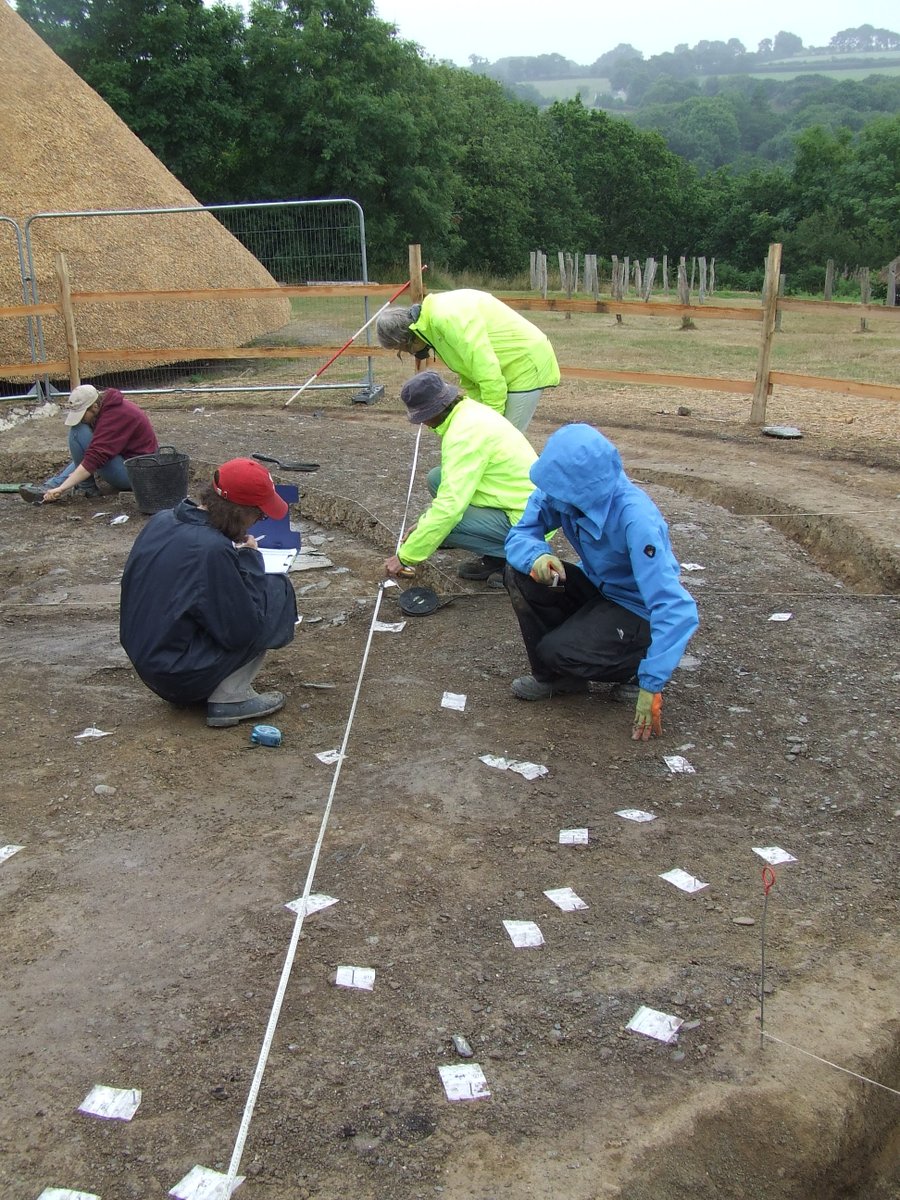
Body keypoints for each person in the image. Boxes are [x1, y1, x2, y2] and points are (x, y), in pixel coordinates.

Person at [503, 424, 699, 741]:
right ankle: (558, 679)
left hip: (636, 609)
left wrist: (653, 682)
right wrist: (536, 556)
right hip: (598, 588)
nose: (550, 496)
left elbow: (676, 606)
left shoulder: (637, 519)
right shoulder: (558, 490)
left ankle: (637, 668)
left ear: (582, 488)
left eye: (559, 489)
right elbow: (523, 533)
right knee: (518, 573)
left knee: (557, 650)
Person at [119, 458, 298, 729]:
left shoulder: (162, 520)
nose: (257, 523)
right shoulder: (212, 550)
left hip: (151, 664)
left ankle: (209, 682)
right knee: (276, 592)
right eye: (258, 515)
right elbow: (240, 632)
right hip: (179, 676)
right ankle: (230, 697)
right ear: (239, 511)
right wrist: (250, 558)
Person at [383, 371, 538, 583]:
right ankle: (496, 554)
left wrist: (406, 556)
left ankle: (518, 560)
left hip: (529, 523)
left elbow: (449, 508)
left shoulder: (463, 436)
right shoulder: (468, 411)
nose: (423, 424)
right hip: (521, 502)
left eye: (421, 418)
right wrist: (424, 526)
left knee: (445, 528)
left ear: (431, 413)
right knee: (436, 478)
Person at [376, 289, 560, 433]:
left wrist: (490, 419)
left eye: (402, 350)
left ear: (406, 339)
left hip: (525, 363)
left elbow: (487, 372)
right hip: (505, 368)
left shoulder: (445, 319)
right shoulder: (430, 329)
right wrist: (474, 415)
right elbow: (470, 374)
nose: (409, 354)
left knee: (505, 442)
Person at [19, 384, 158, 504]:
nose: (81, 419)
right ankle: (51, 486)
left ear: (95, 406)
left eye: (82, 414)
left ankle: (85, 487)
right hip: (133, 466)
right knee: (87, 443)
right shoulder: (108, 409)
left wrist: (62, 489)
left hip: (137, 475)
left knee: (78, 432)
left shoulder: (115, 415)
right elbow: (95, 452)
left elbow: (95, 458)